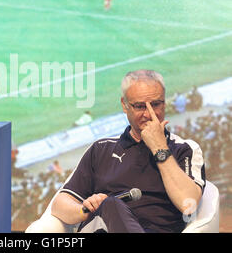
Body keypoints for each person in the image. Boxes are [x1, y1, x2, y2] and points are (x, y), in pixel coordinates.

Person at [51, 69, 206, 233]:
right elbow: (60, 204)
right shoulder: (102, 149)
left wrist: (160, 149)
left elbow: (188, 204)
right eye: (139, 106)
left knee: (111, 203)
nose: (148, 114)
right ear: (124, 105)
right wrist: (84, 209)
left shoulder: (185, 149)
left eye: (156, 104)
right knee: (110, 204)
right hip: (103, 228)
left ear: (164, 103)